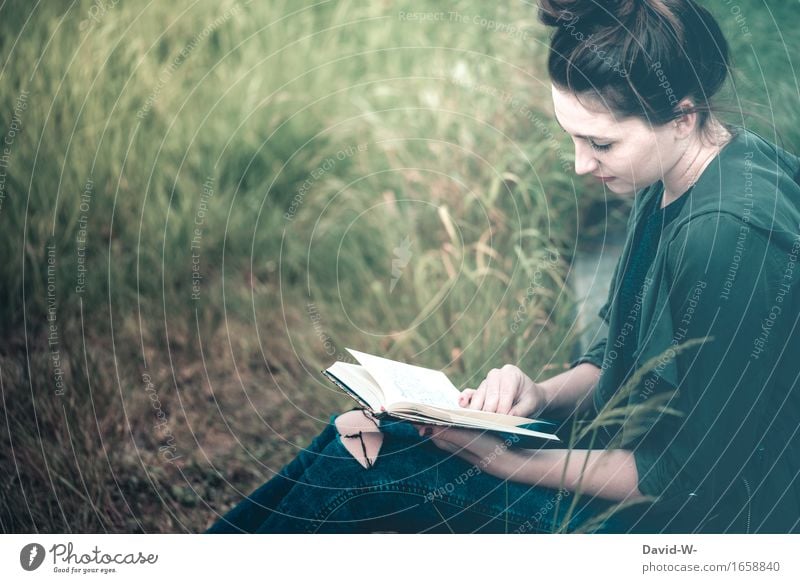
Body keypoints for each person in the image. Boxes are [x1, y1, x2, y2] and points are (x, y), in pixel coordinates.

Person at [207, 0, 800, 534]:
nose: (580, 165)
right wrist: (539, 395)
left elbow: (690, 478)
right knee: (361, 434)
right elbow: (622, 355)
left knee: (364, 470)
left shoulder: (729, 236)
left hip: (703, 534)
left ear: (682, 115)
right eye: (573, 137)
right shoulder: (676, 170)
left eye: (600, 144)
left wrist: (508, 460)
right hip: (632, 464)